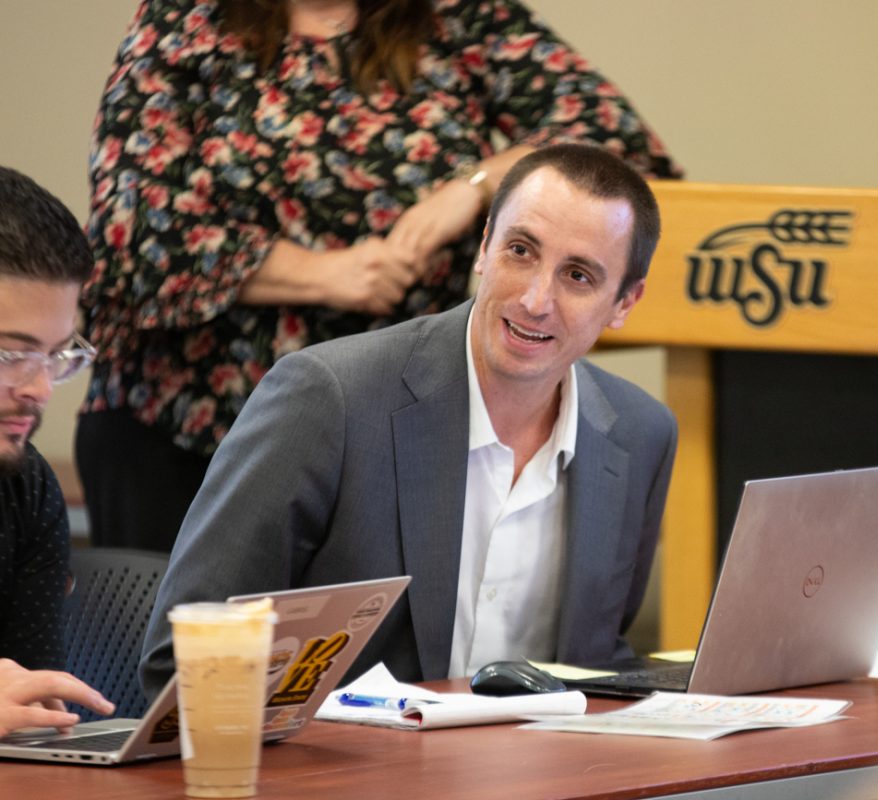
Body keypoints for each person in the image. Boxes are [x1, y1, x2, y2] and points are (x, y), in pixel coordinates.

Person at [78, 0, 682, 554]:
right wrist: (326, 275)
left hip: (393, 430)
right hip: (181, 428)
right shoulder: (189, 19)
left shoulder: (456, 17)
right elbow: (129, 228)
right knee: (190, 660)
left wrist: (473, 189)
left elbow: (619, 151)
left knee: (376, 663)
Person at [140, 143, 676, 697]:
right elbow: (183, 659)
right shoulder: (331, 399)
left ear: (624, 302)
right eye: (520, 250)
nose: (536, 299)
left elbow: (595, 665)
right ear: (485, 245)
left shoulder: (639, 434)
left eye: (579, 276)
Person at [0, 166, 116, 736]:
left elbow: (35, 717)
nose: (39, 389)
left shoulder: (24, 484)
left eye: (56, 356)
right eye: (9, 356)